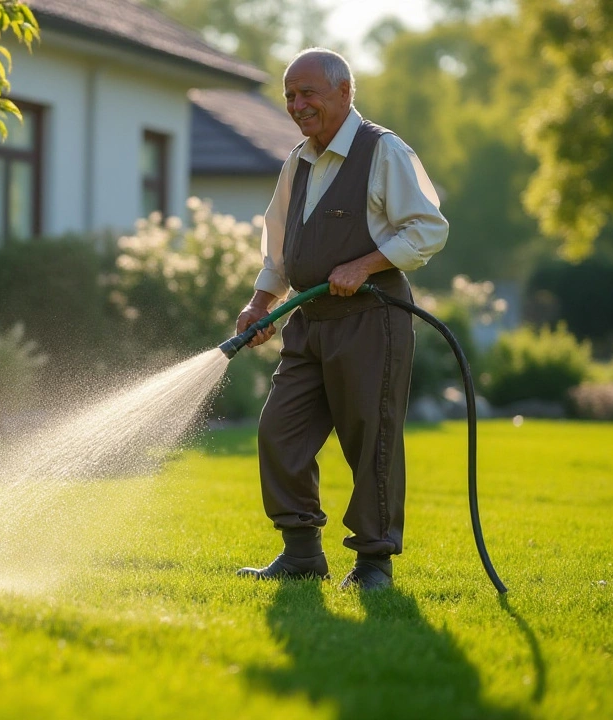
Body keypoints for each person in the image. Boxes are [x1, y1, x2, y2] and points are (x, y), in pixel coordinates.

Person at [235, 48, 448, 590]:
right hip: (309, 321)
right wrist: (259, 305)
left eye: (309, 93)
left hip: (371, 320)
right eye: (289, 95)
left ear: (345, 92)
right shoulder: (297, 161)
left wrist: (365, 264)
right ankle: (302, 553)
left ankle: (374, 563)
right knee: (279, 431)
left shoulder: (384, 151)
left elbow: (427, 228)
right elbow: (279, 251)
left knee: (370, 439)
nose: (297, 105)